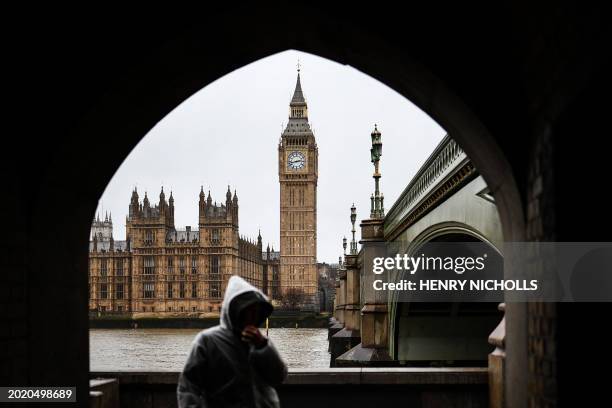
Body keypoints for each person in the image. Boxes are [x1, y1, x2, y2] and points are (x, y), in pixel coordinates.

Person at [177, 275, 288, 407]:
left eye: (256, 312)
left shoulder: (259, 341)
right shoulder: (207, 340)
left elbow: (278, 377)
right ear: (234, 310)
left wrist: (263, 346)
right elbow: (188, 388)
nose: (252, 317)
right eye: (247, 311)